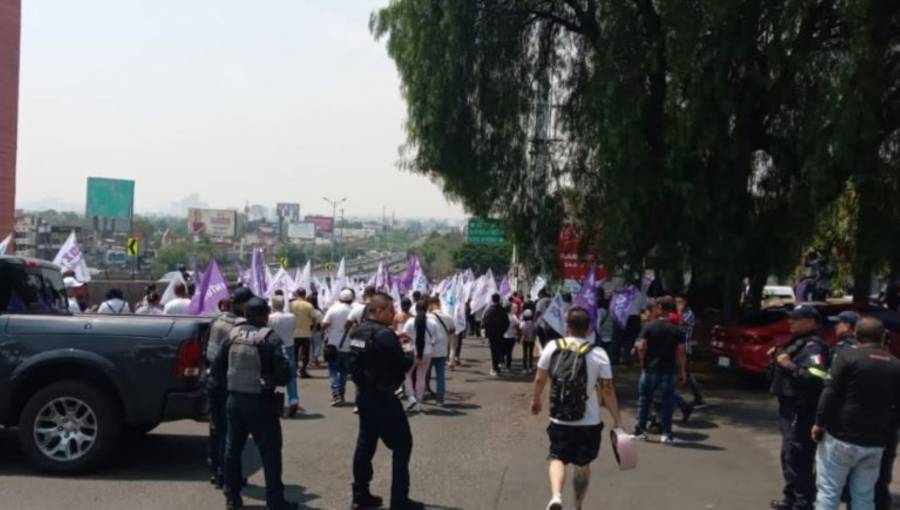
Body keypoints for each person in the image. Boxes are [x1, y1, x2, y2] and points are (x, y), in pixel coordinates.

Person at [531, 307, 622, 510]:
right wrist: (617, 418)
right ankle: (578, 505)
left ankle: (556, 496)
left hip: (559, 417)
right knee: (583, 464)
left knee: (557, 457)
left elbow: (540, 378)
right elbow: (607, 391)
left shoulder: (553, 347)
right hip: (588, 421)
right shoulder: (598, 354)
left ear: (567, 325)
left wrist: (536, 400)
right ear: (589, 328)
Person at [210, 297, 296, 510]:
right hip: (261, 401)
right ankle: (275, 500)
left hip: (234, 400)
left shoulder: (233, 334)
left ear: (246, 314)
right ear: (266, 315)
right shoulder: (270, 338)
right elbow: (285, 373)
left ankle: (232, 497)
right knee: (270, 452)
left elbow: (217, 367)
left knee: (232, 450)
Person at [813, 317, 900, 510]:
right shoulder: (896, 365)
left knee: (829, 491)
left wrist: (819, 422)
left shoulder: (846, 357)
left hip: (841, 436)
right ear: (882, 336)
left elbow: (830, 392)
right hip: (875, 441)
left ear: (856, 335)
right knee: (864, 495)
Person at [349, 292, 423, 510]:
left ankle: (360, 495)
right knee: (402, 445)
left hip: (363, 394)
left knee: (365, 444)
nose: (394, 314)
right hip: (383, 397)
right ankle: (399, 499)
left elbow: (352, 362)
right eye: (391, 310)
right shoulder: (384, 335)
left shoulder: (357, 331)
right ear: (378, 310)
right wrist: (408, 348)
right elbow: (403, 364)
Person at [769, 305, 829, 510]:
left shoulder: (814, 345)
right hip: (788, 407)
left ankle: (803, 503)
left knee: (798, 456)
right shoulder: (797, 342)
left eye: (796, 318)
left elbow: (815, 378)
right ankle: (791, 497)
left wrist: (787, 364)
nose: (790, 321)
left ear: (810, 321)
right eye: (791, 318)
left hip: (801, 409)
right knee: (788, 455)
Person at [205, 287, 253, 489]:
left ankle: (216, 471)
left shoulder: (218, 319)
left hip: (212, 378)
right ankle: (228, 475)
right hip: (228, 381)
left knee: (215, 428)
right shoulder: (240, 325)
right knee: (231, 432)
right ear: (243, 305)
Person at [633, 296, 687, 444]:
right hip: (669, 370)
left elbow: (641, 346)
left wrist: (643, 363)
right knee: (667, 402)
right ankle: (666, 433)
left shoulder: (649, 326)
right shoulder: (677, 330)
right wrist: (682, 371)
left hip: (650, 369)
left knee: (644, 400)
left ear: (660, 308)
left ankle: (641, 430)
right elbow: (681, 352)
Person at [402, 300, 438, 412]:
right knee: (421, 376)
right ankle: (419, 402)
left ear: (416, 309)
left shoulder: (410, 321)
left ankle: (411, 396)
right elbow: (438, 338)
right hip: (428, 351)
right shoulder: (432, 322)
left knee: (406, 374)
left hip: (412, 351)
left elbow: (404, 336)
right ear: (427, 309)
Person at [269, 295, 302, 417]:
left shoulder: (270, 318)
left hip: (274, 347)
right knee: (291, 374)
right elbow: (293, 329)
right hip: (289, 345)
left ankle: (271, 400)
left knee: (271, 373)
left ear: (273, 305)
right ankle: (293, 399)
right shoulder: (291, 316)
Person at [322, 288, 356, 406]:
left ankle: (336, 393)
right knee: (343, 372)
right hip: (348, 345)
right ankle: (341, 393)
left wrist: (329, 331)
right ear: (351, 299)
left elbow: (324, 324)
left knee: (333, 370)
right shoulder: (354, 310)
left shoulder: (333, 309)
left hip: (333, 344)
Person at [675, 293, 706, 408]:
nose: (677, 304)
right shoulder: (677, 313)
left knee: (686, 374)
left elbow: (680, 322)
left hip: (685, 347)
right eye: (676, 302)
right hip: (676, 347)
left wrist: (679, 310)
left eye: (679, 302)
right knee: (680, 373)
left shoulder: (689, 314)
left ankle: (698, 398)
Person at [426, 296, 454, 406]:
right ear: (439, 303)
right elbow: (452, 331)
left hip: (429, 350)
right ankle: (440, 398)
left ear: (430, 304)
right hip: (442, 350)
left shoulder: (427, 317)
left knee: (425, 373)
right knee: (440, 375)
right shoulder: (448, 317)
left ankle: (423, 393)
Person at [289, 289, 316, 379]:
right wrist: (313, 328)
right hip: (305, 332)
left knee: (294, 353)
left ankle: (294, 370)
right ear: (305, 294)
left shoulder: (291, 304)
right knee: (305, 354)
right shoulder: (308, 305)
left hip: (293, 333)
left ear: (296, 294)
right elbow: (314, 318)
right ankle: (303, 370)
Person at [482, 294, 511, 376]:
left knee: (493, 350)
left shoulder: (489, 310)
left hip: (491, 334)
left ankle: (495, 367)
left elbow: (485, 322)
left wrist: (487, 333)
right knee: (498, 350)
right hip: (500, 333)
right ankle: (497, 366)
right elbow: (507, 322)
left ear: (492, 300)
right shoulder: (502, 310)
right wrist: (503, 331)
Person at [503, 304, 520, 370]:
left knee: (503, 351)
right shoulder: (513, 316)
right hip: (512, 336)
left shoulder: (503, 316)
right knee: (509, 352)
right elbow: (518, 324)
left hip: (504, 336)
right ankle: (508, 365)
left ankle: (501, 362)